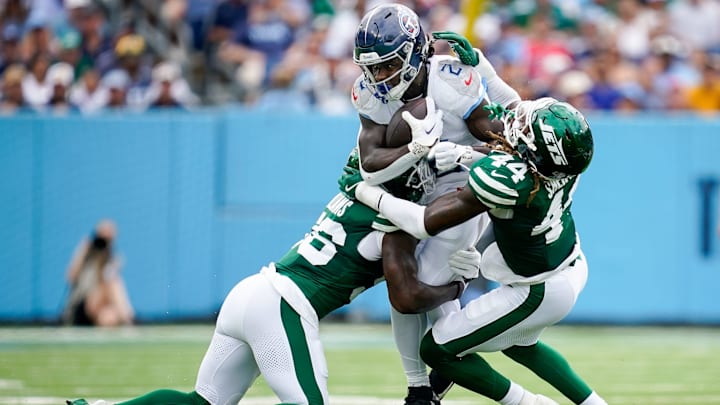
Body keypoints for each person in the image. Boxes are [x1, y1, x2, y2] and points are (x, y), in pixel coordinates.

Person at [66, 150, 482, 405]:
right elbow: (407, 296)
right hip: (283, 305)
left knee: (204, 401)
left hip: (251, 292)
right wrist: (456, 286)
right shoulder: (394, 224)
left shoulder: (350, 196)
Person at [341, 90, 609, 403]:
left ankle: (527, 402)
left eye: (526, 128)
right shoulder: (563, 166)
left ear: (536, 154)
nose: (517, 124)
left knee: (436, 350)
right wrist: (465, 154)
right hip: (569, 265)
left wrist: (365, 191)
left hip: (536, 290)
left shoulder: (509, 181)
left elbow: (424, 222)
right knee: (517, 342)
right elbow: (516, 160)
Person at [349, 5, 512, 403]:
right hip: (409, 187)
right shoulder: (370, 92)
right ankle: (418, 385)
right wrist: (416, 149)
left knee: (422, 283)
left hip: (460, 188)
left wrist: (459, 153)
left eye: (388, 65)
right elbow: (371, 162)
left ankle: (446, 357)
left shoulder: (452, 80)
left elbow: (506, 143)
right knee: (400, 286)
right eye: (373, 68)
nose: (379, 77)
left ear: (415, 51)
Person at [62, 219, 134, 327]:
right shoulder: (86, 255)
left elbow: (107, 282)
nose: (103, 243)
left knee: (109, 317)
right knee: (113, 283)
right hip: (82, 305)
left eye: (108, 240)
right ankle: (130, 320)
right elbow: (70, 277)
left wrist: (111, 265)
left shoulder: (112, 259)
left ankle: (126, 322)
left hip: (100, 308)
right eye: (101, 238)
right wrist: (82, 252)